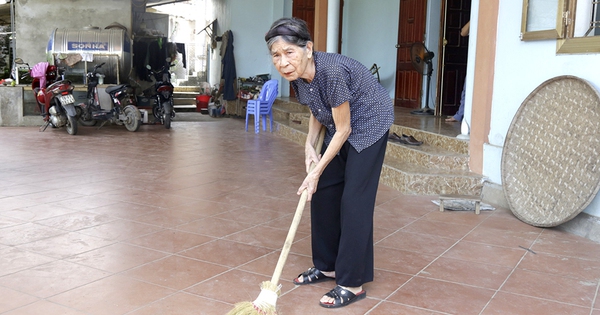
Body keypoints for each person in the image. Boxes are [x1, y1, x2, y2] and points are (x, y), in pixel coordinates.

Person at [265, 17, 394, 308]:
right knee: (324, 193)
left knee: (353, 201)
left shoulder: (331, 71)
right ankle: (327, 266)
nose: (283, 62)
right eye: (276, 55)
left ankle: (351, 282)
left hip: (369, 123)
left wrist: (316, 169)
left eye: (289, 52)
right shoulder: (299, 77)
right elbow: (318, 107)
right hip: (340, 123)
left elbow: (345, 128)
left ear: (308, 48)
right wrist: (309, 145)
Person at [446, 21, 470, 123]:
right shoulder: (475, 20)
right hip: (474, 61)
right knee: (465, 90)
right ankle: (459, 115)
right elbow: (463, 33)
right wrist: (473, 18)